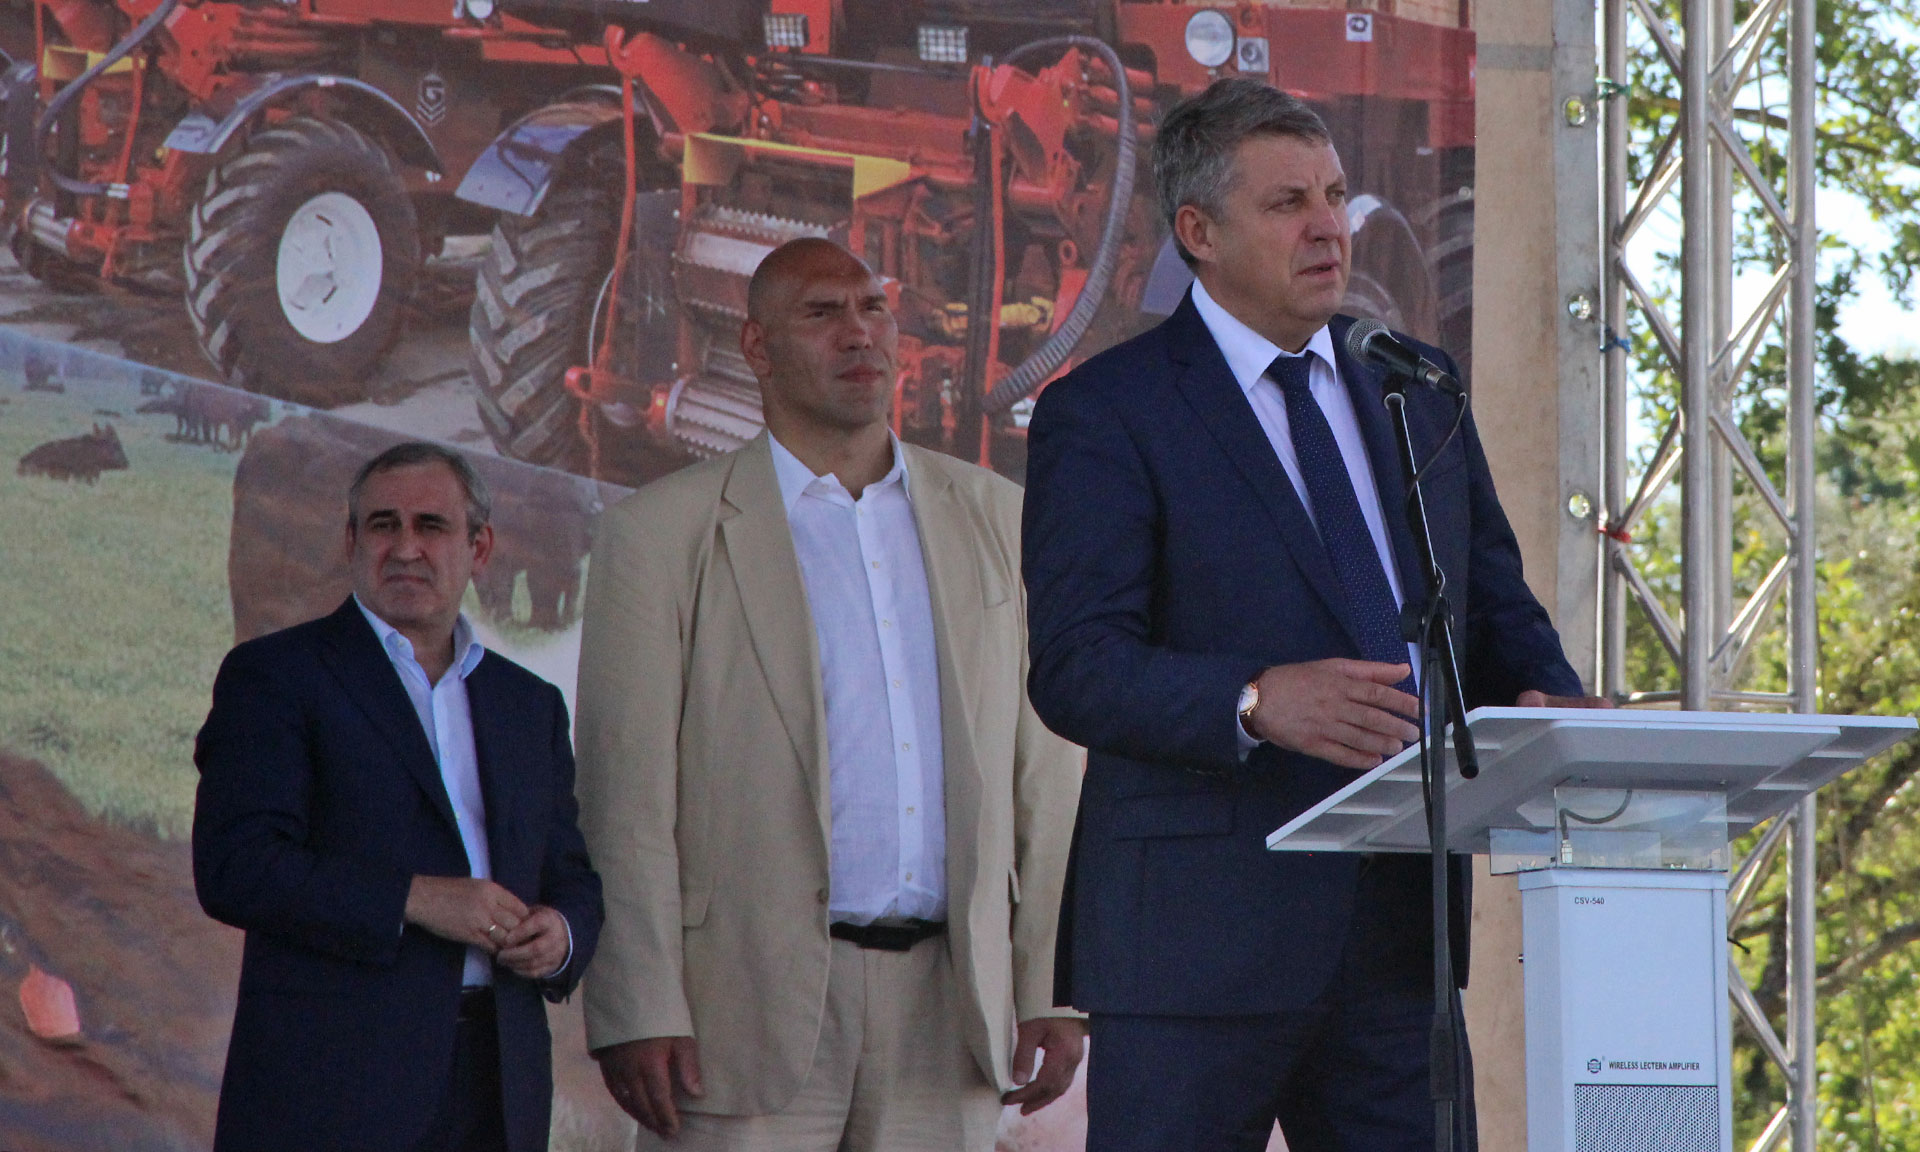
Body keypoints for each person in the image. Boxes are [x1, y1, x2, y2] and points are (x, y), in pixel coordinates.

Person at [1020, 78, 1607, 1151]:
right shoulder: (1107, 411)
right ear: (1198, 232)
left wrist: (1549, 700)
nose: (1330, 226)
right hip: (1195, 944)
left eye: (1335, 195)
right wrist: (1252, 700)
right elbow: (1077, 666)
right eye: (1288, 202)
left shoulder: (1415, 385)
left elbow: (1490, 606)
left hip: (1400, 939)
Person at [574, 237, 1085, 1151]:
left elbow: (1047, 776)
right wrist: (639, 1002)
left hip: (950, 1009)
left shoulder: (998, 517)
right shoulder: (659, 535)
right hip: (737, 1013)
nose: (859, 334)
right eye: (821, 313)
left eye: (873, 308)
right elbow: (626, 798)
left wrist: (1053, 986)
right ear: (756, 347)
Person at [192, 442, 603, 1152]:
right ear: (351, 542)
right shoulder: (275, 676)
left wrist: (562, 934)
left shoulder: (528, 704)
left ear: (479, 548)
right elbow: (237, 867)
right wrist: (416, 899)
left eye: (431, 526)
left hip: (497, 1088)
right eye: (383, 525)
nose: (406, 548)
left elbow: (570, 874)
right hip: (332, 1090)